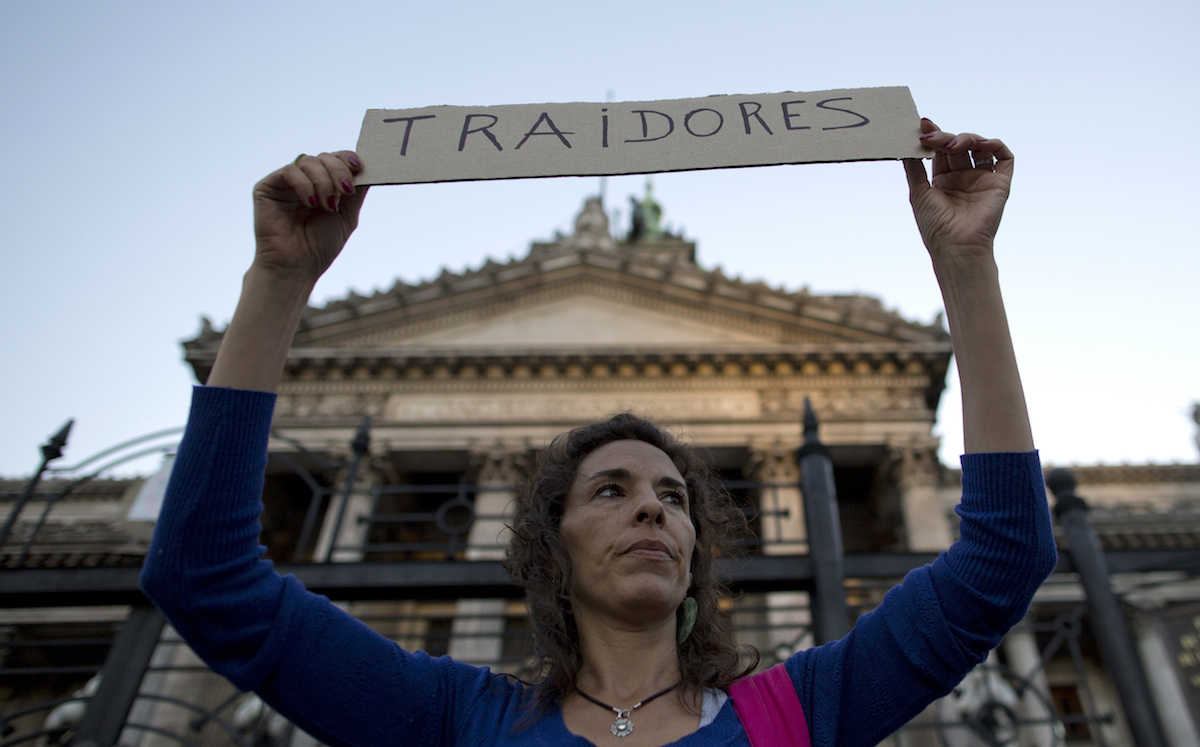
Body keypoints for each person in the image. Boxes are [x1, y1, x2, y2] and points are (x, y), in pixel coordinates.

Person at [139, 117, 1058, 746]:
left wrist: (965, 264)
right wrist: (280, 279)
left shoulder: (798, 710)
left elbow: (1000, 558)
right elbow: (206, 579)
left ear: (700, 547)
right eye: (610, 490)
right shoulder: (458, 717)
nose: (651, 510)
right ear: (552, 543)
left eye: (673, 496)